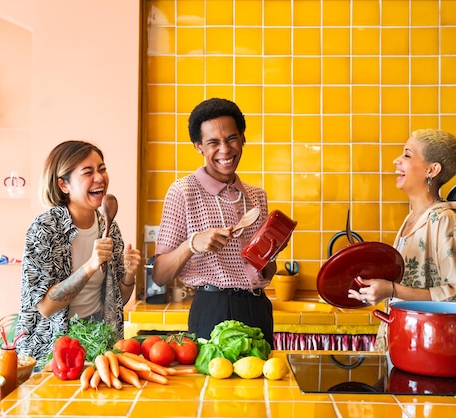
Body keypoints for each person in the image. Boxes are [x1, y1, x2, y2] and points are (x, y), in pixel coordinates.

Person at [152, 98, 278, 347]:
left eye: (231, 138)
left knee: (263, 384)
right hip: (213, 309)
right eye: (213, 143)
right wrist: (193, 244)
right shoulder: (183, 191)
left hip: (258, 307)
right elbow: (159, 275)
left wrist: (272, 251)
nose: (225, 150)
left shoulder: (257, 196)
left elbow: (266, 272)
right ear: (199, 146)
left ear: (243, 138)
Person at [347, 129, 456, 350]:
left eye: (407, 155)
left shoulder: (443, 221)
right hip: (405, 342)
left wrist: (392, 290)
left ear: (431, 169)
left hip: (430, 349)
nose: (396, 161)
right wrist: (376, 285)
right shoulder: (412, 219)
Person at [15, 140, 141, 362]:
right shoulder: (44, 229)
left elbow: (117, 299)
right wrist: (90, 266)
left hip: (97, 348)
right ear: (64, 185)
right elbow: (45, 306)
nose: (100, 177)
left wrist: (129, 275)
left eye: (102, 169)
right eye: (88, 172)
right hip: (49, 354)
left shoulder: (108, 226)